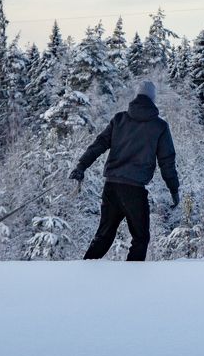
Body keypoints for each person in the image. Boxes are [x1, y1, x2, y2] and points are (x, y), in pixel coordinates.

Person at [69, 80, 180, 261]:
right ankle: (133, 276)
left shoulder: (119, 120)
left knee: (103, 236)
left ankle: (84, 270)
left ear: (136, 96)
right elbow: (167, 162)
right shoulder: (159, 126)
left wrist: (81, 166)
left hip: (111, 187)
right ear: (153, 99)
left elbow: (98, 145)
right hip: (134, 190)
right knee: (141, 238)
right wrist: (174, 189)